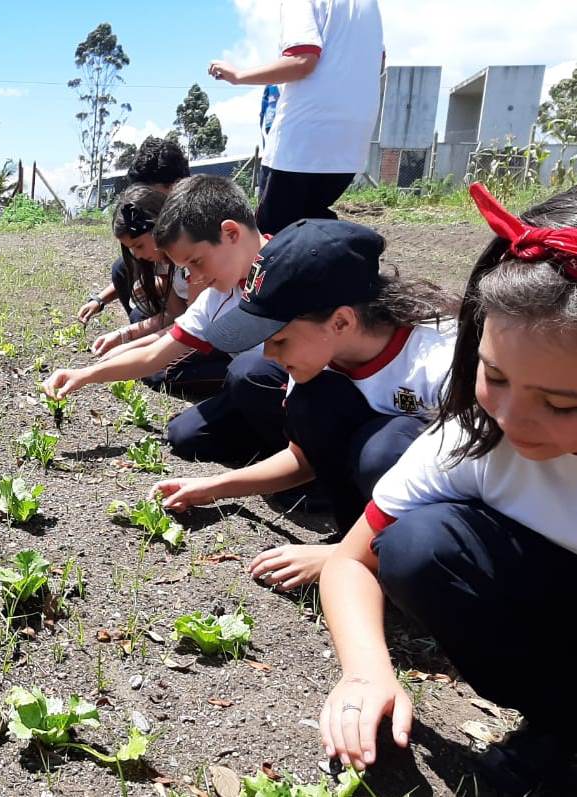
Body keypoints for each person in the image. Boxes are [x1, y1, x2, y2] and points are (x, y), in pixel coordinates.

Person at [316, 183, 577, 793]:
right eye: (495, 374)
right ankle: (561, 724)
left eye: (562, 403)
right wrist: (364, 671)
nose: (514, 418)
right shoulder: (475, 435)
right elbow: (349, 562)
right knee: (418, 545)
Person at [153, 218, 458, 588]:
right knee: (315, 403)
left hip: (441, 524)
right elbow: (304, 457)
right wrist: (214, 487)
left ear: (341, 322)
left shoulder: (441, 364)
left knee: (386, 449)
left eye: (279, 340)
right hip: (377, 519)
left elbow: (472, 495)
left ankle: (380, 558)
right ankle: (359, 542)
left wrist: (339, 556)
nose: (268, 352)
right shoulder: (321, 360)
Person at [44, 176, 288, 464]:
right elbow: (154, 355)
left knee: (248, 370)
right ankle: (272, 448)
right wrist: (83, 375)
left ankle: (303, 461)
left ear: (231, 234)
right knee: (184, 435)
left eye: (196, 263)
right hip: (263, 392)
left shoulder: (292, 269)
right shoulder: (219, 294)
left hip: (315, 396)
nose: (194, 278)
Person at [208, 0, 383, 235]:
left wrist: (238, 76)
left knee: (273, 239)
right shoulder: (368, 5)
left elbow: (302, 60)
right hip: (351, 143)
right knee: (316, 231)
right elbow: (379, 61)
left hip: (303, 141)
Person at [86, 184, 224, 397]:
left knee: (157, 373)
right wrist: (125, 336)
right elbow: (176, 316)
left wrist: (130, 347)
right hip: (195, 331)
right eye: (131, 249)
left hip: (217, 339)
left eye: (139, 246)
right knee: (141, 353)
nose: (137, 255)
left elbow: (191, 327)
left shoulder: (193, 262)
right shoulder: (163, 262)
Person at [76, 137, 191, 326]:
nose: (143, 202)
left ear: (176, 187)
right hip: (178, 304)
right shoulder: (158, 227)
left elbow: (198, 320)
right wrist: (100, 299)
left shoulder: (196, 231)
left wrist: (160, 285)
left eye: (150, 194)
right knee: (122, 268)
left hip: (205, 321)